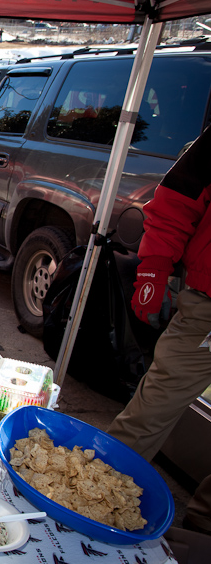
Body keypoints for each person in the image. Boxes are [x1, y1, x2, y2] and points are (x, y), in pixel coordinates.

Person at [106, 125, 211, 535]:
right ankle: (92, 489)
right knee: (152, 407)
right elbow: (175, 202)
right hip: (206, 305)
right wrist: (153, 268)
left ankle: (203, 526)